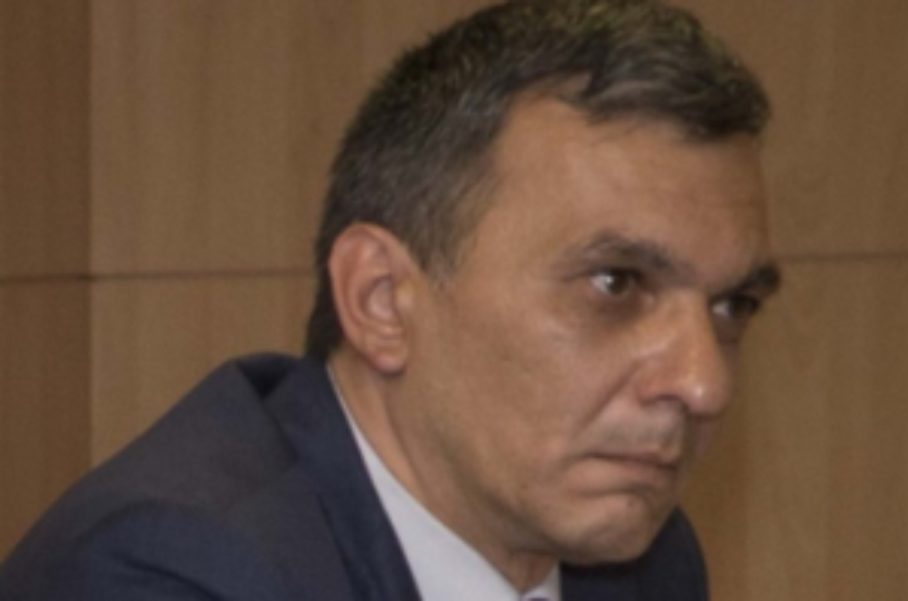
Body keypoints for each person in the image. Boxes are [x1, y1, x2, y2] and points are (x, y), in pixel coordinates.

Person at [0, 0, 779, 599]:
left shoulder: (640, 567)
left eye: (731, 305)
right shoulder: (173, 571)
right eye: (615, 284)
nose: (704, 383)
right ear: (382, 301)